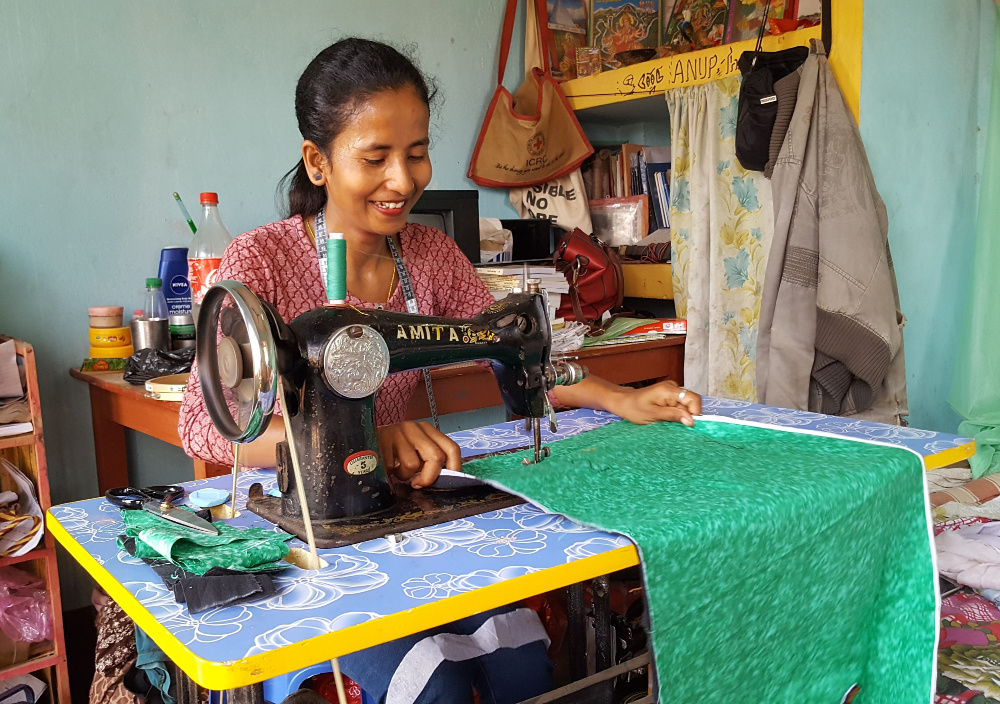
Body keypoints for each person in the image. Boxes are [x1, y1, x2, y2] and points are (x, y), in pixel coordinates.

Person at [179, 37, 701, 704]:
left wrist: (617, 398)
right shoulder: (261, 263)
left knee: (522, 660)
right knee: (439, 685)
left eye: (417, 152)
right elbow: (201, 424)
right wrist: (348, 441)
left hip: (399, 518)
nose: (403, 180)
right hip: (302, 538)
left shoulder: (426, 253)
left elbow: (514, 348)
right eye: (375, 158)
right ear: (318, 162)